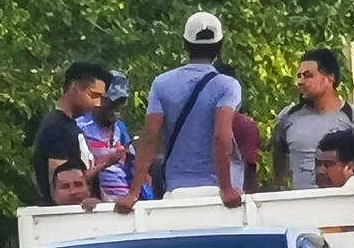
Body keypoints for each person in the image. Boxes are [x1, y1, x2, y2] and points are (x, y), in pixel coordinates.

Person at [117, 12, 244, 211]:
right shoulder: (227, 86)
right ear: (220, 46)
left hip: (175, 193)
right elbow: (221, 135)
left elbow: (150, 137)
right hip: (217, 195)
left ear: (186, 45)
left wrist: (133, 192)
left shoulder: (162, 83)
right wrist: (227, 187)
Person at [271, 48, 354, 191]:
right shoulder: (287, 117)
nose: (301, 81)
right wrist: (279, 187)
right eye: (299, 76)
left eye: (308, 75)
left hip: (343, 202)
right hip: (299, 202)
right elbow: (278, 155)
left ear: (330, 78)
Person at [33, 62, 111, 204]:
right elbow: (63, 182)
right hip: (66, 219)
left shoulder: (66, 126)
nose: (98, 103)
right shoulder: (58, 128)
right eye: (94, 95)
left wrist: (105, 163)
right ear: (74, 89)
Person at [77, 70, 145, 202]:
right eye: (113, 101)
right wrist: (106, 163)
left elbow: (133, 167)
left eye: (121, 101)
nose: (117, 107)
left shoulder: (120, 128)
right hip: (95, 203)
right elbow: (74, 180)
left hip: (125, 201)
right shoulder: (81, 127)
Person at [217, 62, 262, 194]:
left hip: (231, 192)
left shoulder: (243, 126)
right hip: (234, 194)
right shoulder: (245, 125)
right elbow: (250, 168)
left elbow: (250, 167)